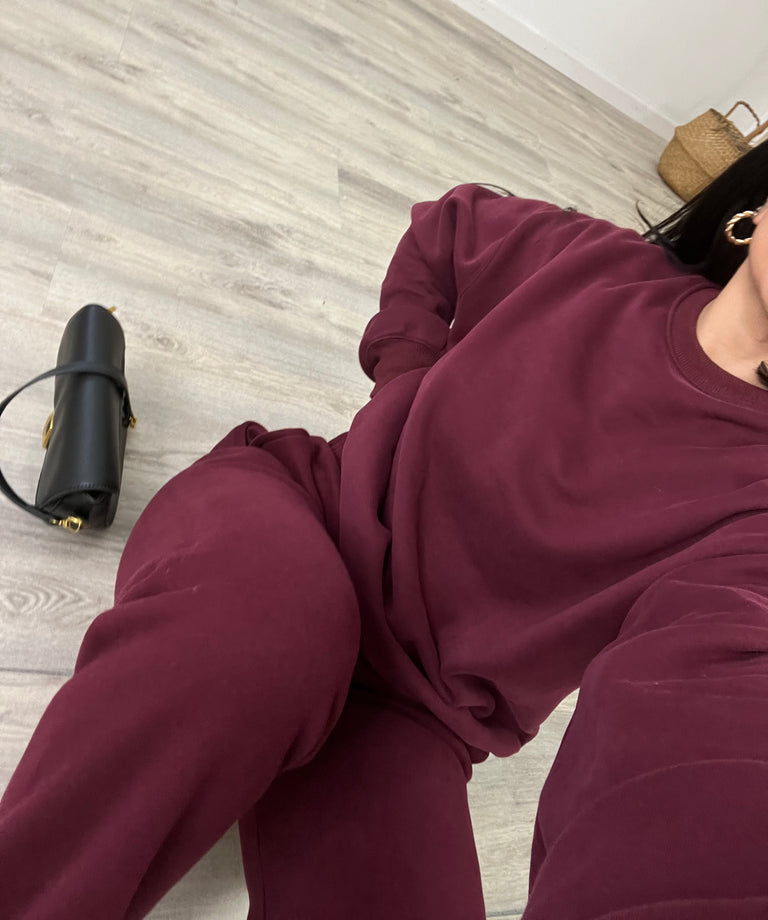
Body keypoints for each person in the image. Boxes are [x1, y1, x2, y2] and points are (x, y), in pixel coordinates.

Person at [2, 142, 768, 920]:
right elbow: (448, 227)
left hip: (414, 712)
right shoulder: (593, 263)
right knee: (266, 638)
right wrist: (403, 379)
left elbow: (711, 713)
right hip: (295, 516)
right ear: (757, 206)